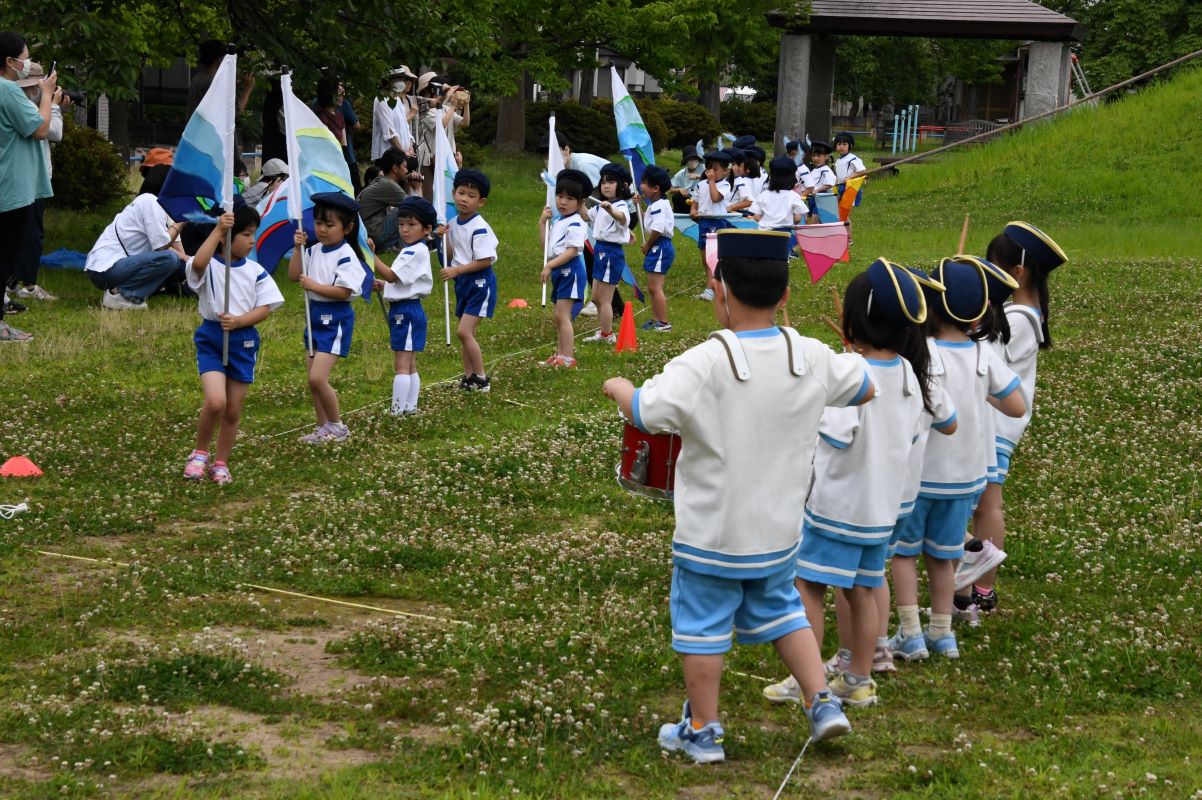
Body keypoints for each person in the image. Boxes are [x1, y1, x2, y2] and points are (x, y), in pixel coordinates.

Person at [603, 229, 874, 763]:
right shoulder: (810, 354)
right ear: (785, 294)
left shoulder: (704, 361)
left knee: (701, 627)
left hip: (713, 534)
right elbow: (864, 385)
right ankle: (821, 701)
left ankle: (703, 729)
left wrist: (619, 388)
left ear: (720, 291)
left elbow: (647, 413)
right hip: (779, 531)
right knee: (785, 612)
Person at [761, 259, 944, 709]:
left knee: (808, 586)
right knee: (862, 589)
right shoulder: (909, 372)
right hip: (881, 511)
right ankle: (858, 679)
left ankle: (806, 680)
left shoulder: (852, 371)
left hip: (837, 507)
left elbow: (831, 431)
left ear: (856, 318)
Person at [888, 257, 1024, 662]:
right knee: (946, 556)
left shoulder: (922, 353)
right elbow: (1016, 406)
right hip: (966, 478)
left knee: (904, 554)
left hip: (921, 476)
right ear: (979, 315)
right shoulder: (983, 355)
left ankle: (911, 634)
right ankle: (943, 633)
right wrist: (980, 394)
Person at [958, 223, 1066, 612]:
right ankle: (971, 588)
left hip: (994, 425)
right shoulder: (1022, 313)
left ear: (1015, 272)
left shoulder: (1018, 319)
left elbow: (987, 363)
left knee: (987, 506)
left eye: (992, 267)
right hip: (995, 422)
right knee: (983, 504)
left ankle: (980, 588)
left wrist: (963, 326)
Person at [182, 206, 284, 484]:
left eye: (253, 234)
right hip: (212, 338)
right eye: (246, 234)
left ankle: (221, 463)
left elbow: (265, 308)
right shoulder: (210, 265)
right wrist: (218, 229)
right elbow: (197, 265)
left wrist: (240, 321)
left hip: (244, 341)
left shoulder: (255, 270)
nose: (252, 240)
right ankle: (200, 454)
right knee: (216, 401)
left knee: (232, 410)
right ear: (227, 237)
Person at [288, 193, 367, 443]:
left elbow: (343, 292)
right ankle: (322, 427)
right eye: (318, 223)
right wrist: (298, 249)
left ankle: (337, 426)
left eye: (329, 225)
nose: (321, 229)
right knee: (312, 381)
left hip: (335, 320)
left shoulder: (346, 255)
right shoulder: (313, 250)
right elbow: (294, 275)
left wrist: (313, 286)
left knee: (318, 378)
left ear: (347, 228)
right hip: (313, 317)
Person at [0, 32, 56, 341]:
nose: (29, 63)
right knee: (6, 256)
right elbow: (40, 128)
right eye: (25, 57)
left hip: (6, 182)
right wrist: (47, 95)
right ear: (10, 61)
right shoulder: (8, 90)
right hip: (12, 187)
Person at [85, 164, 187, 310]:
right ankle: (121, 295)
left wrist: (188, 260)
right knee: (170, 259)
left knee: (176, 262)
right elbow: (162, 247)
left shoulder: (154, 204)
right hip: (106, 269)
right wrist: (180, 222)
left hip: (106, 267)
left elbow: (175, 247)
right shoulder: (150, 202)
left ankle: (126, 294)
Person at [9, 61, 66, 304]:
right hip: (29, 181)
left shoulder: (15, 103)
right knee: (31, 234)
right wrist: (53, 105)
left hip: (21, 179)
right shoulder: (26, 106)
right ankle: (28, 285)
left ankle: (12, 281)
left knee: (17, 234)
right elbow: (53, 132)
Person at [376, 197, 435, 415]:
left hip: (406, 312)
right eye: (401, 224)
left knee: (401, 364)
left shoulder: (413, 251)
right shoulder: (414, 250)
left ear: (426, 229)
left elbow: (392, 275)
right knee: (409, 364)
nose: (405, 229)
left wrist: (371, 256)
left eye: (411, 225)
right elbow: (403, 283)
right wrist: (383, 286)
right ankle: (410, 407)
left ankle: (398, 409)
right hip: (410, 309)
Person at [442, 169, 497, 392]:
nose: (464, 199)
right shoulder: (452, 223)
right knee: (467, 334)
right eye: (461, 193)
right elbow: (450, 255)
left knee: (464, 331)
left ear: (481, 202)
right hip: (463, 282)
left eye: (471, 196)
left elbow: (484, 260)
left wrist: (457, 270)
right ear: (453, 193)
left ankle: (481, 378)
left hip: (479, 283)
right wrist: (443, 237)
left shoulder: (479, 227)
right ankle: (468, 377)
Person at [538, 169, 591, 368]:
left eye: (569, 198)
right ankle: (560, 354)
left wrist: (550, 265)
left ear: (579, 202)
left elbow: (572, 251)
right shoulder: (559, 221)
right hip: (559, 271)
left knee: (563, 316)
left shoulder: (576, 223)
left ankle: (567, 357)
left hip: (571, 271)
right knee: (558, 316)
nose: (563, 202)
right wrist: (542, 222)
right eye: (560, 196)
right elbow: (546, 248)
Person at [583, 163, 634, 345]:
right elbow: (585, 216)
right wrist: (579, 199)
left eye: (611, 182)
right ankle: (603, 331)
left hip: (611, 253)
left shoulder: (620, 205)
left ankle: (607, 335)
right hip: (600, 250)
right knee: (596, 298)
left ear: (622, 185)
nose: (606, 186)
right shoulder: (599, 207)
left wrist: (611, 210)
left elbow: (622, 217)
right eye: (603, 182)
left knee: (605, 299)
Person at [689, 149, 733, 301]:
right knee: (705, 258)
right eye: (709, 168)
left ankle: (712, 289)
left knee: (714, 257)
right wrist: (693, 211)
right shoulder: (701, 184)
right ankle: (712, 287)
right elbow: (695, 202)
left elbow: (715, 198)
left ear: (725, 171)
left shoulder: (725, 185)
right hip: (704, 223)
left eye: (715, 169)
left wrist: (712, 181)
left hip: (717, 223)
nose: (711, 172)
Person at [639, 165, 675, 333]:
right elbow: (649, 220)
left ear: (655, 188)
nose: (640, 186)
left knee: (655, 287)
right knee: (652, 287)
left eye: (644, 183)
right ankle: (655, 319)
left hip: (660, 246)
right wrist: (639, 207)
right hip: (658, 246)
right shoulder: (655, 205)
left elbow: (658, 228)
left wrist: (648, 244)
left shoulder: (659, 205)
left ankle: (663, 322)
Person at [416, 73, 460, 201]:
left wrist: (463, 104)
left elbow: (463, 122)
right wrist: (453, 106)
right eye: (444, 90)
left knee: (446, 194)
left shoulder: (445, 108)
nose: (448, 93)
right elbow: (441, 125)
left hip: (444, 156)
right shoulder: (425, 108)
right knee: (429, 196)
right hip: (428, 159)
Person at [359, 149, 410, 251]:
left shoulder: (381, 181)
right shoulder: (387, 184)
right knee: (405, 209)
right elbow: (415, 205)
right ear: (395, 168)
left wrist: (408, 184)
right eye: (404, 167)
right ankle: (410, 245)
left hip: (368, 233)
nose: (407, 171)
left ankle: (394, 246)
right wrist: (418, 188)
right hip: (373, 234)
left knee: (403, 208)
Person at [371, 66, 415, 162]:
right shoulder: (381, 99)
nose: (402, 82)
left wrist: (410, 147)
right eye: (398, 79)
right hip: (387, 156)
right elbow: (389, 132)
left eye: (402, 79)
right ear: (388, 81)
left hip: (402, 156)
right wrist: (402, 153)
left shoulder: (397, 99)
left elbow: (405, 126)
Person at [750, 157, 806, 231]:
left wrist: (768, 224)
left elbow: (756, 217)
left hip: (765, 233)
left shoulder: (763, 195)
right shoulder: (794, 196)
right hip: (785, 234)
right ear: (792, 178)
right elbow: (797, 219)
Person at [338, 82, 363, 196]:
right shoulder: (343, 104)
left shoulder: (317, 104)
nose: (341, 96)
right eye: (340, 92)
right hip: (346, 154)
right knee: (354, 187)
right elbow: (357, 125)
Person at [669, 145, 703, 213]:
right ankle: (680, 217)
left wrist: (699, 176)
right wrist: (679, 189)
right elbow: (669, 189)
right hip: (687, 201)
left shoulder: (704, 168)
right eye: (690, 159)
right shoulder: (681, 174)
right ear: (686, 161)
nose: (693, 161)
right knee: (676, 197)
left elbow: (713, 178)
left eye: (695, 158)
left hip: (701, 200)